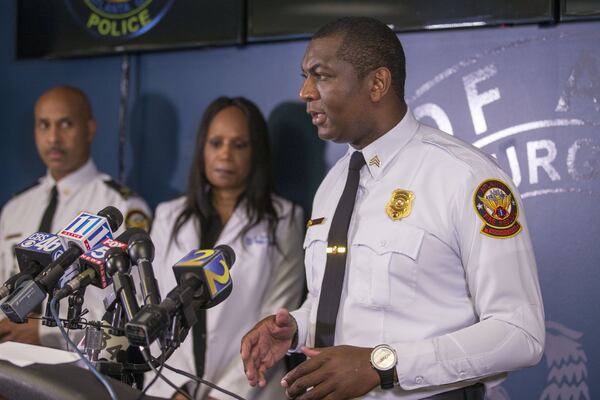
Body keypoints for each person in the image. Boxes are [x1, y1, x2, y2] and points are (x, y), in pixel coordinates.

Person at [240, 17, 545, 400]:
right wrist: (296, 327)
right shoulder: (333, 184)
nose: (304, 92)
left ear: (377, 84)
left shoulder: (465, 177)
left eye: (321, 76)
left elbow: (520, 334)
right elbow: (348, 300)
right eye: (304, 76)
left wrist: (383, 364)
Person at [148, 96, 304, 399]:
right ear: (202, 149)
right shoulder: (168, 216)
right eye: (216, 142)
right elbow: (152, 307)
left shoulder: (284, 220)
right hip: (172, 391)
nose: (225, 154)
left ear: (256, 152)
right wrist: (175, 389)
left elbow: (275, 318)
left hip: (248, 390)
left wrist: (219, 396)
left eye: (239, 145)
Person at [0, 85, 151, 348]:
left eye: (66, 124)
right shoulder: (16, 207)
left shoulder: (119, 206)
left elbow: (130, 303)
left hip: (78, 369)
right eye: (44, 125)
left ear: (90, 129)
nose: (54, 138)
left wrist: (48, 333)